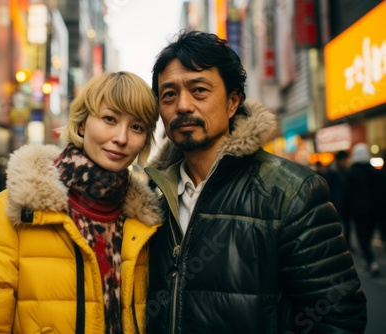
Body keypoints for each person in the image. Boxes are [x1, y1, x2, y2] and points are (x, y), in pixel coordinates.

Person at [144, 30, 367, 333]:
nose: (182, 106)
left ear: (233, 102)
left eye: (199, 90)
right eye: (168, 94)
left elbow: (337, 317)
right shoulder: (149, 198)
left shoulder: (291, 191)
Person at [0, 71, 163, 334]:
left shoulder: (144, 224)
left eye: (136, 127)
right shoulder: (12, 212)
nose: (121, 138)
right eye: (110, 119)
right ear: (83, 123)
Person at [342, 143, 379, 277]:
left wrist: (344, 212)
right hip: (374, 211)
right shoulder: (374, 171)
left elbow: (346, 195)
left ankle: (370, 261)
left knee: (362, 237)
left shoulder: (351, 173)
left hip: (358, 212)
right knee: (368, 236)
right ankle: (368, 259)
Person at [324, 150, 351, 244]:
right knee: (338, 227)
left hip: (346, 204)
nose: (346, 162)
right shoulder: (331, 174)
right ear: (339, 160)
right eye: (344, 160)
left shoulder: (347, 172)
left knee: (348, 226)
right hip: (335, 204)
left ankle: (347, 243)